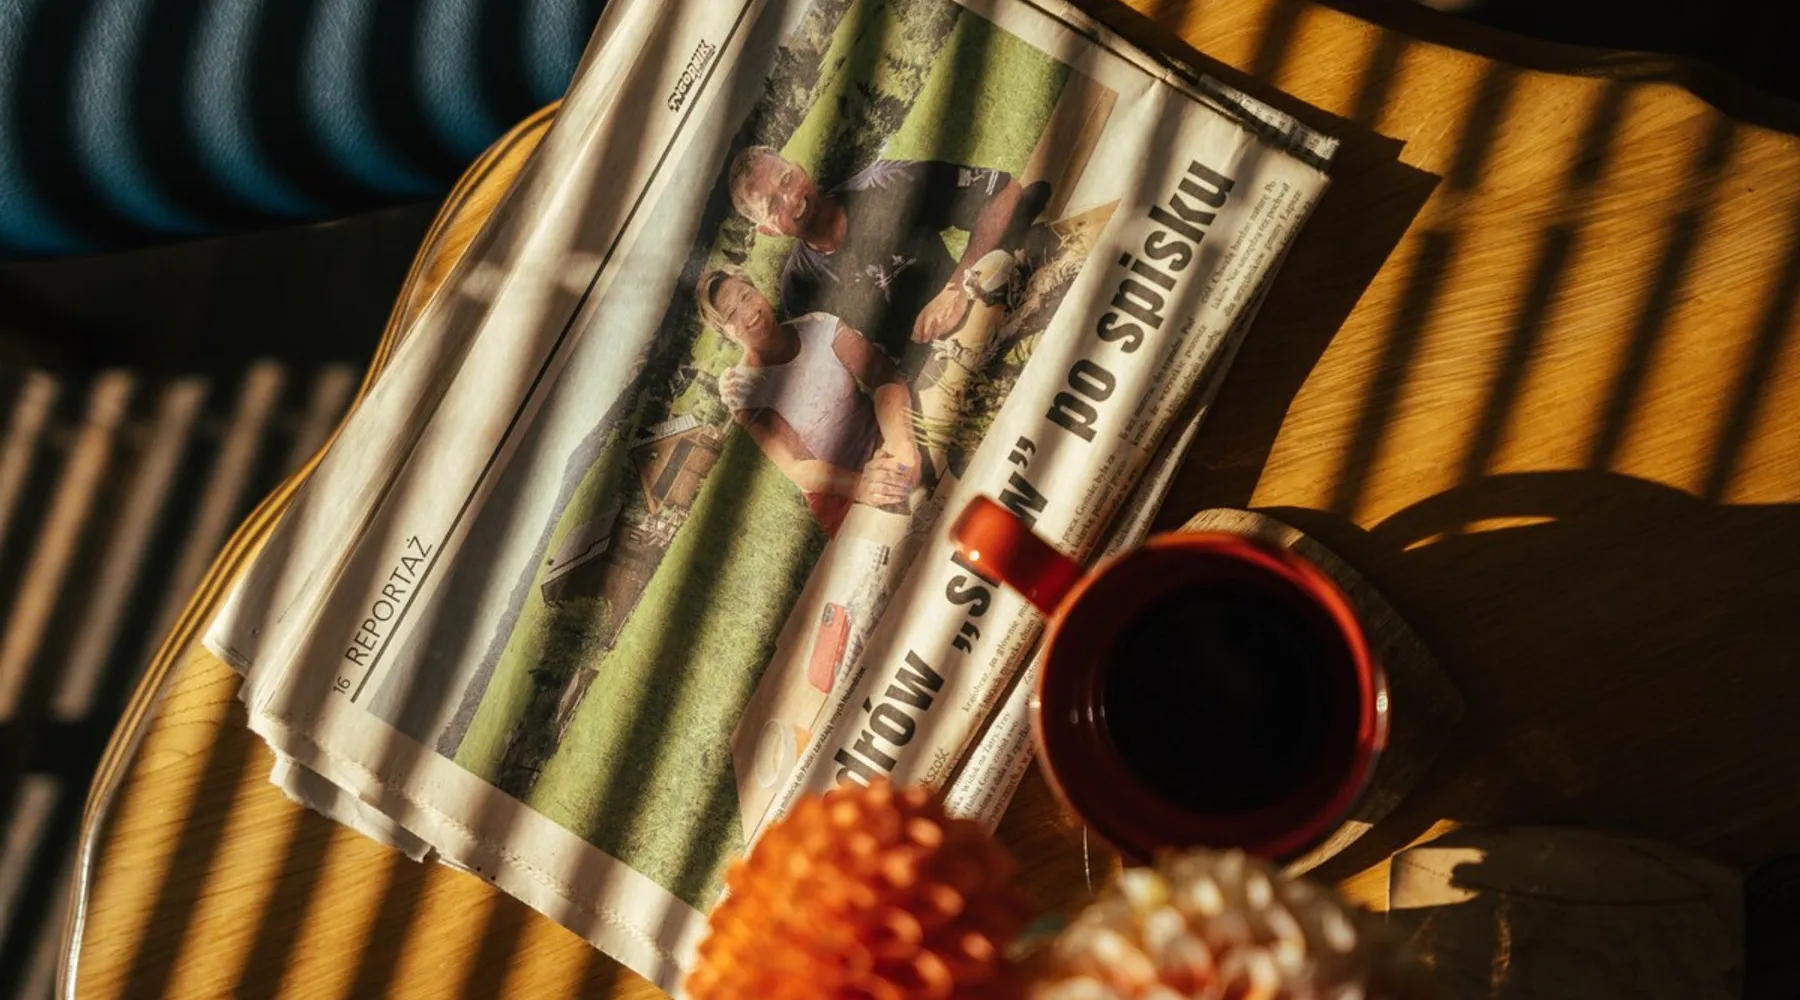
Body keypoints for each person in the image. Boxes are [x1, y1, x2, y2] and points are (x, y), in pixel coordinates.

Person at [727, 147, 1053, 360]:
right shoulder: (798, 288)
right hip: (922, 378)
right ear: (768, 231)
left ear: (800, 169)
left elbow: (1004, 191)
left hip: (979, 305)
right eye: (773, 205)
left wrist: (957, 287)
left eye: (786, 179)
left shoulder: (885, 182)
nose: (790, 199)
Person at [697, 265, 923, 534]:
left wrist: (900, 443)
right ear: (726, 333)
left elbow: (884, 376)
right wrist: (863, 486)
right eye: (731, 314)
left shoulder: (820, 326)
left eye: (746, 296)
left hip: (884, 440)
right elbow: (797, 465)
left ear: (758, 291)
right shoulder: (743, 390)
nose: (747, 312)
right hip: (839, 492)